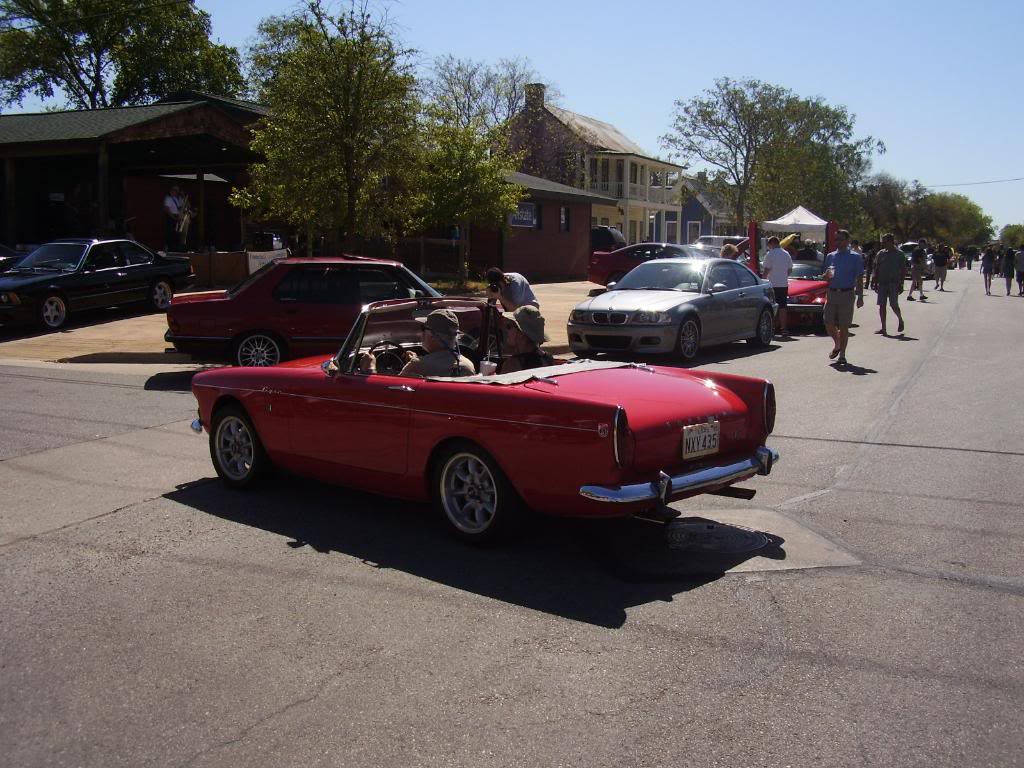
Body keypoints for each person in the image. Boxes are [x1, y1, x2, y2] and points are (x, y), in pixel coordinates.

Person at [361, 309, 475, 378]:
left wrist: (370, 369)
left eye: (423, 328)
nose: (421, 333)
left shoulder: (419, 366)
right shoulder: (468, 365)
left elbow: (389, 396)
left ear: (433, 335)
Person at [823, 229, 865, 367]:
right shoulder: (830, 256)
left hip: (847, 293)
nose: (838, 242)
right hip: (832, 292)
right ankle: (838, 344)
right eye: (837, 239)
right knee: (828, 322)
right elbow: (825, 275)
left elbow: (859, 278)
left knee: (844, 325)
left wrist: (860, 296)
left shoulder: (855, 257)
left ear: (847, 241)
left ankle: (842, 355)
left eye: (841, 239)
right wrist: (826, 276)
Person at [497, 305, 554, 374]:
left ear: (521, 334)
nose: (506, 330)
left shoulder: (512, 365)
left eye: (509, 326)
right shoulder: (547, 358)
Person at [871, 233, 906, 336]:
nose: (883, 243)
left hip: (893, 283)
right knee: (882, 305)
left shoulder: (899, 254)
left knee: (893, 304)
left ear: (891, 241)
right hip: (882, 282)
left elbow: (903, 269)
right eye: (883, 241)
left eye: (885, 241)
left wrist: (901, 283)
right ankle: (884, 328)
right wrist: (874, 281)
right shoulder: (880, 253)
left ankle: (900, 320)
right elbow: (876, 268)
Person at [762, 236, 793, 335]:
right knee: (783, 307)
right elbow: (790, 270)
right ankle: (784, 328)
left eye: (769, 245)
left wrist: (762, 280)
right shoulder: (786, 254)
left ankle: (772, 327)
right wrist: (783, 275)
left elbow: (766, 269)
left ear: (772, 243)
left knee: (771, 306)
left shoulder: (770, 254)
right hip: (783, 284)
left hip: (772, 284)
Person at [163, 185, 184, 251]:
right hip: (171, 217)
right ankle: (170, 248)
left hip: (178, 217)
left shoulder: (178, 198)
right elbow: (167, 209)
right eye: (175, 190)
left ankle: (176, 248)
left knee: (177, 234)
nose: (176, 192)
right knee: (170, 234)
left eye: (177, 191)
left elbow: (181, 207)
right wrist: (174, 218)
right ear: (171, 191)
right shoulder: (168, 198)